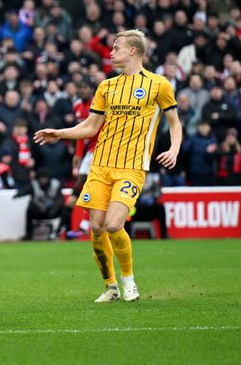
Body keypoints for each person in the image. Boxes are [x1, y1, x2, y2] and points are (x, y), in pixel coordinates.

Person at [34, 30, 182, 303]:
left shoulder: (158, 84)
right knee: (97, 228)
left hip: (132, 167)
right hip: (101, 166)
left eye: (116, 48)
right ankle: (110, 286)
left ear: (133, 51)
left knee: (114, 225)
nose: (111, 53)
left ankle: (129, 282)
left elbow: (174, 122)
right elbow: (91, 127)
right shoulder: (106, 87)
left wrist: (173, 149)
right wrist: (60, 133)